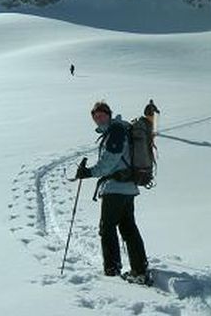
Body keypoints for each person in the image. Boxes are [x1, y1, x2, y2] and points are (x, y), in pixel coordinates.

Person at [75, 101, 149, 284]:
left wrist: (89, 172)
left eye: (101, 115)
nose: (98, 119)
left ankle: (112, 270)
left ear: (109, 114)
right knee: (128, 228)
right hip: (127, 187)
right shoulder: (117, 130)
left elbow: (109, 162)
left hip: (116, 189)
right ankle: (139, 270)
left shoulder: (115, 132)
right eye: (95, 116)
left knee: (107, 228)